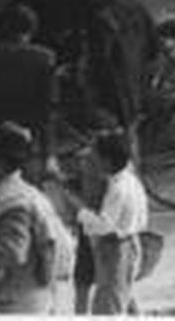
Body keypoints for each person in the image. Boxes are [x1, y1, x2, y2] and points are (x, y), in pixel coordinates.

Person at [0, 121, 72, 315]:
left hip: (11, 303)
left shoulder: (11, 201)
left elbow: (12, 250)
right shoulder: (24, 193)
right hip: (25, 300)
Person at [0, 4, 55, 200]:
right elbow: (47, 111)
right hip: (28, 143)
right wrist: (49, 153)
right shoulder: (43, 59)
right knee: (27, 201)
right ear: (31, 30)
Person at [68, 130, 148, 315]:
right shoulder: (129, 180)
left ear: (107, 161)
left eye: (94, 156)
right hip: (127, 245)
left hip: (115, 249)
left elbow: (104, 226)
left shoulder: (118, 188)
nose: (90, 160)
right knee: (119, 298)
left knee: (108, 307)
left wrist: (80, 211)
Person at [81, 0, 156, 134]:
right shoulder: (138, 9)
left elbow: (101, 55)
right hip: (138, 76)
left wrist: (90, 83)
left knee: (115, 130)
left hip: (115, 81)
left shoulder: (102, 17)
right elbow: (153, 46)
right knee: (134, 125)